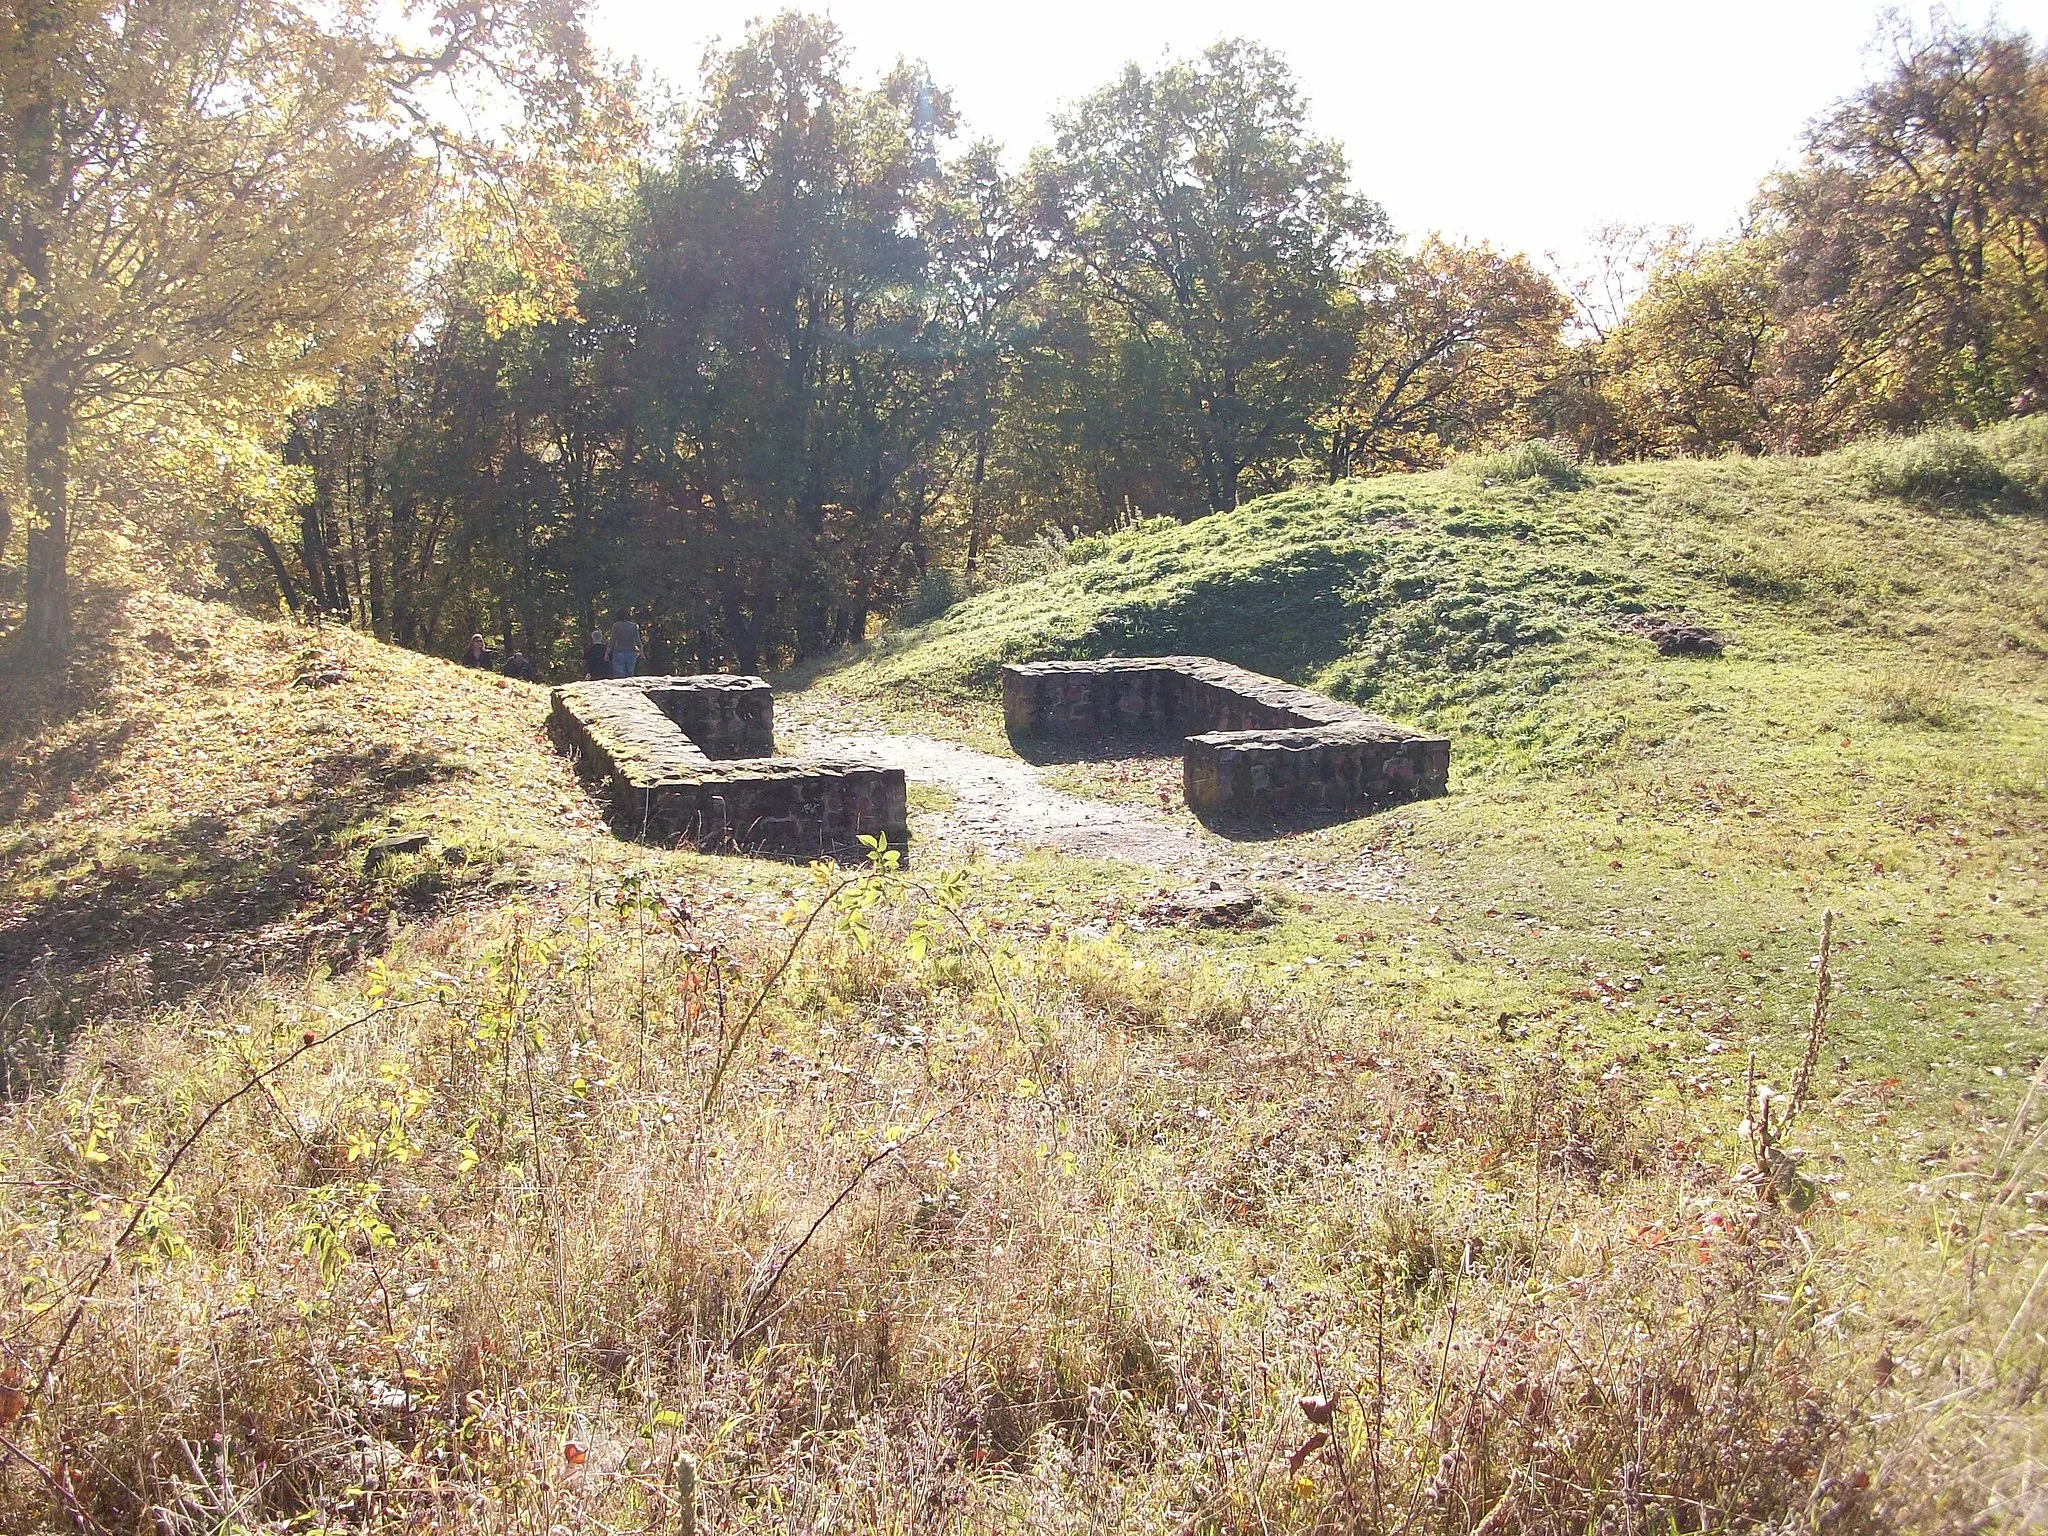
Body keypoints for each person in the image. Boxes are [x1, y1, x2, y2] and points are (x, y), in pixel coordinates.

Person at [608, 611, 641, 678]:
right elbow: (638, 641)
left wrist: (607, 653)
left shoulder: (616, 626)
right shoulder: (634, 626)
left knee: (620, 673)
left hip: (619, 652)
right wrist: (642, 653)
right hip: (631, 652)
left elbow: (612, 641)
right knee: (630, 673)